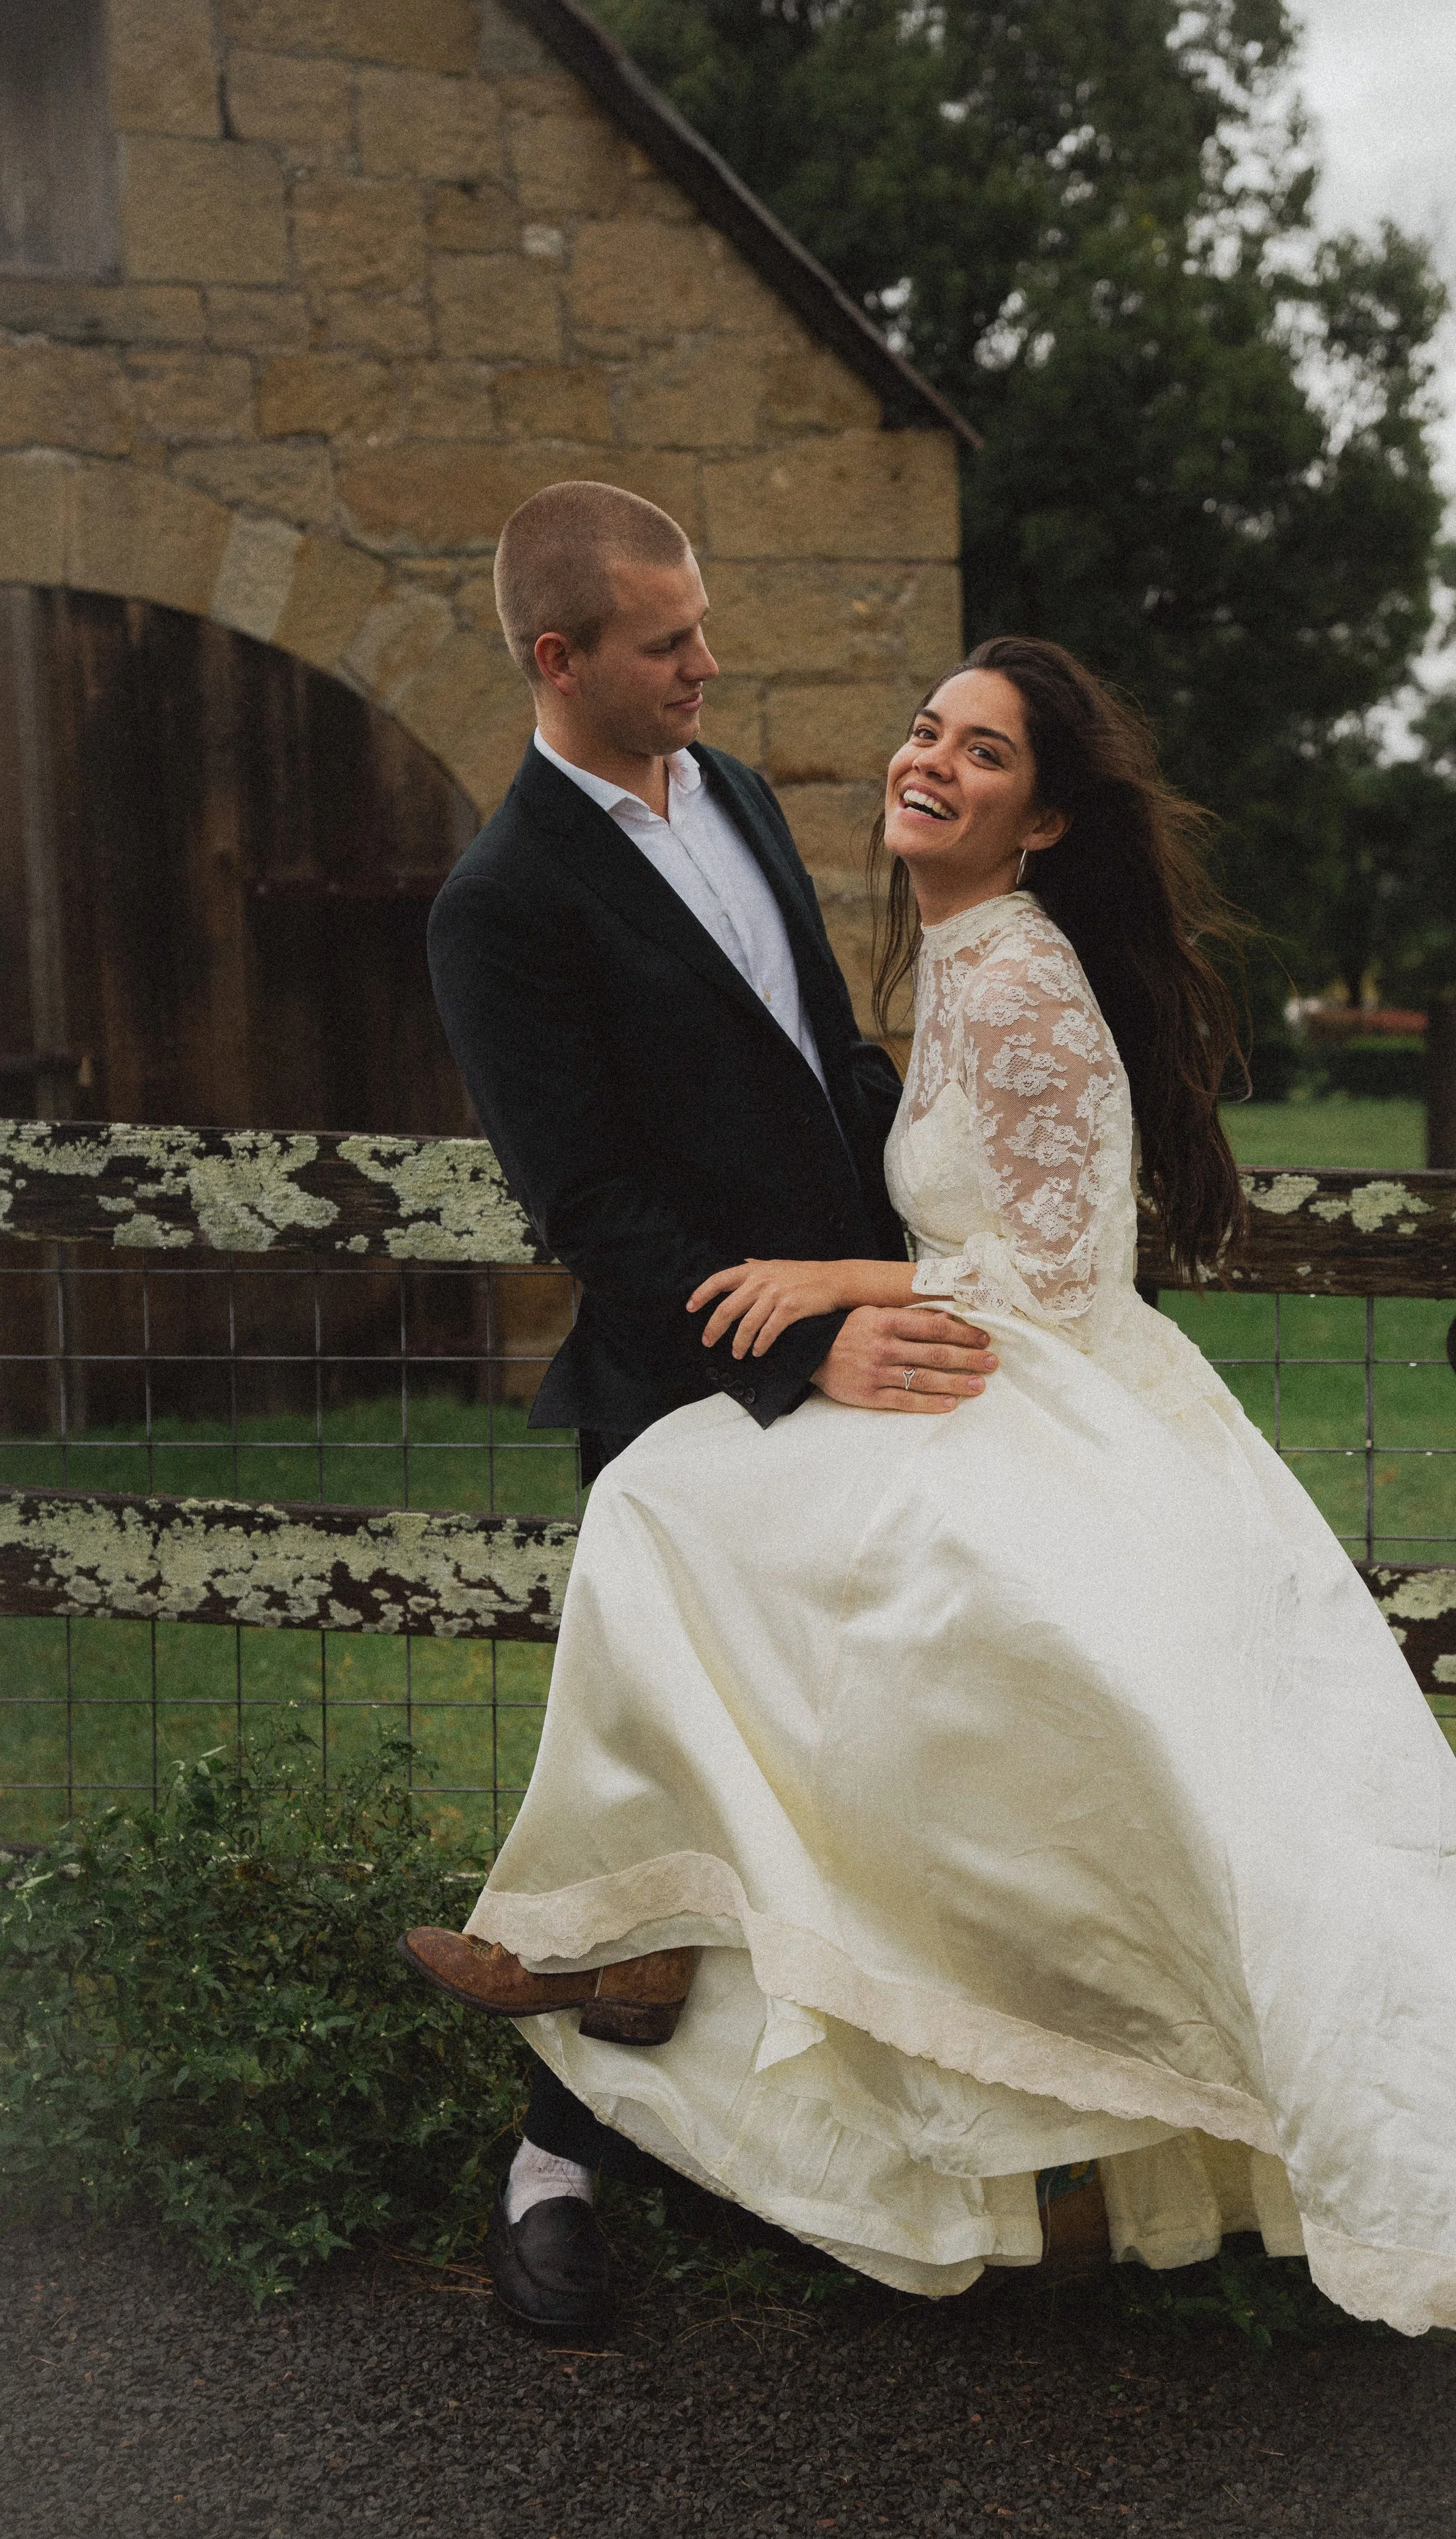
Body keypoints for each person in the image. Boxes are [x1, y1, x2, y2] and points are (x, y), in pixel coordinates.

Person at [416, 631, 1456, 2508]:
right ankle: (639, 1953)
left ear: (1048, 810)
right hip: (914, 1366)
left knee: (713, 1552)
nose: (929, 758)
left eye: (981, 749)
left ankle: (632, 1938)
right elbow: (849, 1160)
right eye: (926, 728)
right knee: (689, 1534)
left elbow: (1056, 1257)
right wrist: (830, 1286)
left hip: (1023, 1384)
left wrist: (840, 1284)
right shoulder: (916, 945)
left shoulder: (1010, 971)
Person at [409, 479, 1000, 2338]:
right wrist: (788, 1350)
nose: (708, 664)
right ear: (559, 657)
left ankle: (864, 2144)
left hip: (865, 1343)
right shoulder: (500, 904)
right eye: (669, 643)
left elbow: (825, 1058)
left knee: (874, 1743)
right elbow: (593, 1210)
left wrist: (941, 1217)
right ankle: (554, 2163)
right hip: (690, 1399)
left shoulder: (733, 789)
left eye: (704, 628)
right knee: (652, 1788)